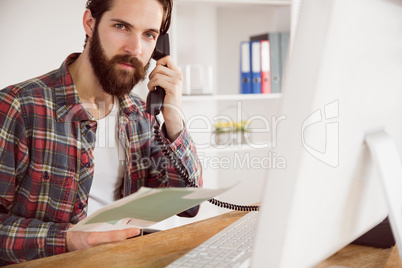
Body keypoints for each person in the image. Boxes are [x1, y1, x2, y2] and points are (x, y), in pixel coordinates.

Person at [0, 0, 202, 264]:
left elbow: (187, 204)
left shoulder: (142, 115)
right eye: (121, 26)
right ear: (89, 23)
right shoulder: (18, 107)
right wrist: (69, 239)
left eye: (149, 34)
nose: (136, 49)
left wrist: (173, 115)